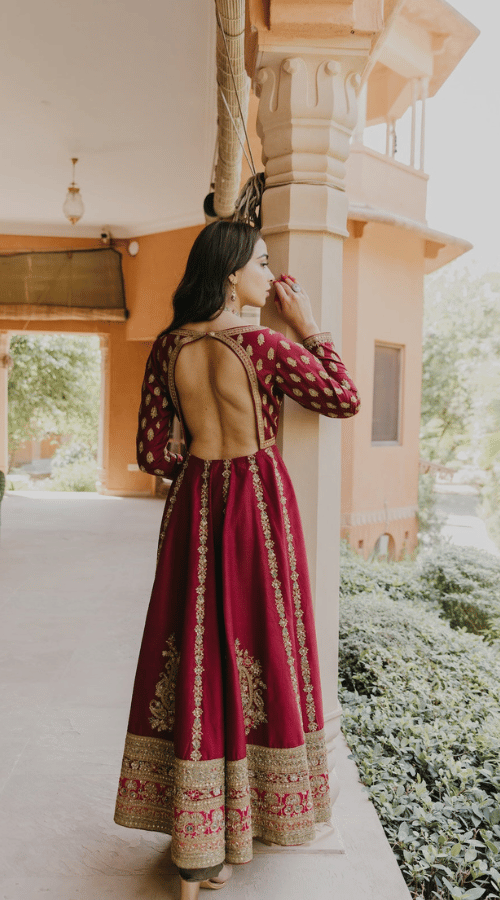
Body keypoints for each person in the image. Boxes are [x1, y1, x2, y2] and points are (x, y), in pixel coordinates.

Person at [114, 221, 360, 899]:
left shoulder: (169, 347)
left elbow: (156, 455)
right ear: (231, 274)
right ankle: (247, 828)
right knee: (258, 650)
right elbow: (343, 397)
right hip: (256, 505)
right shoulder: (266, 347)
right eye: (261, 262)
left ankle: (196, 854)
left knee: (195, 653)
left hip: (195, 503)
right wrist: (310, 327)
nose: (270, 273)